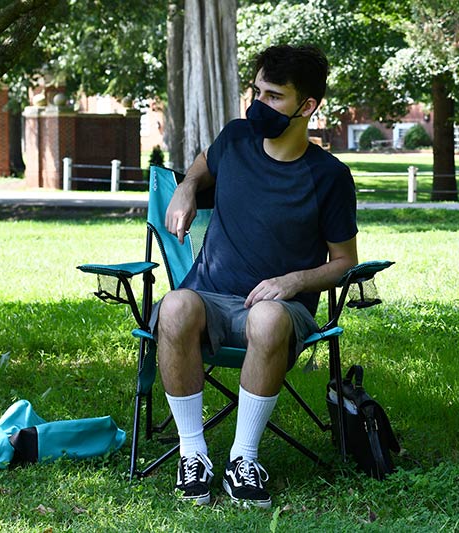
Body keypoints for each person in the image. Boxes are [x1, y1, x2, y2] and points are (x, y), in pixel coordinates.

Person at [154, 44, 358, 508]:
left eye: (273, 97)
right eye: (257, 91)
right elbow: (207, 161)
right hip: (210, 298)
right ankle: (194, 455)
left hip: (280, 311)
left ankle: (244, 460)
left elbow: (344, 261)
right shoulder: (237, 139)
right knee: (175, 304)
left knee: (266, 317)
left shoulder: (328, 177)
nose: (258, 105)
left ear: (307, 107)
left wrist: (293, 282)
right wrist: (187, 185)